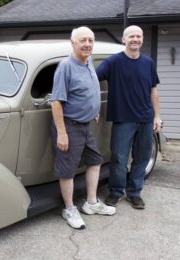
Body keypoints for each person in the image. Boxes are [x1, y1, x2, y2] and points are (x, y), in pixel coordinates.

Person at [51, 26, 116, 230]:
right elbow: (56, 102)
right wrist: (61, 133)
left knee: (95, 161)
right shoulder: (66, 66)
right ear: (73, 43)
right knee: (67, 171)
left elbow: (87, 91)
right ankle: (69, 208)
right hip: (69, 126)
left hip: (85, 125)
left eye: (90, 40)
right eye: (83, 40)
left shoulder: (88, 62)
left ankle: (91, 203)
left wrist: (93, 109)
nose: (87, 44)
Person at [96, 25, 162, 209]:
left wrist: (157, 116)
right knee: (118, 158)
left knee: (141, 158)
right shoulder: (113, 62)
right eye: (131, 36)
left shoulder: (148, 62)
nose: (135, 39)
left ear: (142, 40)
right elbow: (92, 79)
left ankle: (134, 193)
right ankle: (116, 192)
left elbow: (153, 91)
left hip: (146, 119)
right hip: (123, 119)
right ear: (123, 39)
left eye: (138, 36)